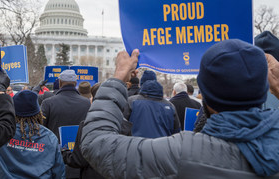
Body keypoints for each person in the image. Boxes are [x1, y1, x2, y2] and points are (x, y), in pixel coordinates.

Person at [81, 39, 279, 178]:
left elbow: (96, 143)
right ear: (265, 89)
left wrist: (119, 75)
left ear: (206, 96)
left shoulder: (182, 153)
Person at [0, 90, 65, 178]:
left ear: (12, 111)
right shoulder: (49, 138)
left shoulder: (0, 132)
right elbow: (59, 173)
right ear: (38, 113)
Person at [62, 82, 131, 179]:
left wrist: (64, 152)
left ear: (94, 100)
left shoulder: (87, 125)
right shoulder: (125, 126)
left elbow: (78, 160)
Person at [41, 69, 91, 179]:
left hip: (55, 159)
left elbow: (41, 130)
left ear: (59, 83)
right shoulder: (87, 103)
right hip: (79, 160)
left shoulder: (48, 103)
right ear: (75, 83)